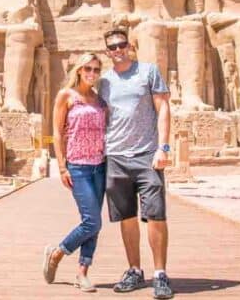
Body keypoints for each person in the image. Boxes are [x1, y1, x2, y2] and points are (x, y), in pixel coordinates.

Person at [98, 28, 174, 299]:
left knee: (156, 214)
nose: (118, 50)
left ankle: (160, 274)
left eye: (121, 45)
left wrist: (163, 147)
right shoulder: (103, 81)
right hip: (116, 155)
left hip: (146, 153)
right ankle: (134, 269)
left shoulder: (148, 71)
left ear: (130, 46)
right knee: (126, 216)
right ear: (107, 52)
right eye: (112, 47)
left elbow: (163, 107)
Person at [43, 53, 107, 293]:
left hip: (100, 165)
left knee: (93, 223)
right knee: (92, 221)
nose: (92, 73)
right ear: (79, 70)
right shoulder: (66, 96)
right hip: (78, 166)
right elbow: (57, 133)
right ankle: (58, 252)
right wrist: (61, 166)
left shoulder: (99, 100)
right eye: (88, 68)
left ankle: (82, 273)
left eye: (96, 70)